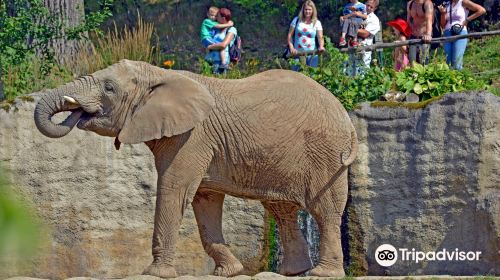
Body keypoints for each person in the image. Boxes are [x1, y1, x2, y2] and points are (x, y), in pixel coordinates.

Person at [438, 0, 486, 69]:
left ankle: (460, 78)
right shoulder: (447, 4)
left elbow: (481, 10)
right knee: (448, 61)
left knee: (457, 61)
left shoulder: (463, 2)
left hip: (460, 32)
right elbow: (442, 25)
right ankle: (451, 78)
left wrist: (467, 20)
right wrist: (442, 14)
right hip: (447, 32)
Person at [286, 0, 325, 71]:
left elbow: (320, 37)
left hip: (312, 54)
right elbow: (289, 35)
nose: (307, 11)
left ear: (313, 10)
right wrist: (291, 48)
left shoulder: (317, 23)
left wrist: (321, 46)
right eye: (306, 9)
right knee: (296, 75)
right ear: (303, 10)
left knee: (311, 76)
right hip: (297, 54)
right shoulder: (296, 20)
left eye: (309, 9)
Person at [205, 8, 237, 74]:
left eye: (218, 16)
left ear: (223, 18)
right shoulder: (217, 29)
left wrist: (210, 47)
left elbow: (223, 45)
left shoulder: (231, 29)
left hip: (220, 63)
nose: (216, 18)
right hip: (210, 60)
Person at [354, 0, 380, 70]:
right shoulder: (359, 14)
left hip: (364, 49)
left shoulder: (374, 19)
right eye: (367, 5)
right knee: (351, 71)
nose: (368, 8)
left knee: (363, 71)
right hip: (353, 46)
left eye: (371, 7)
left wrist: (351, 30)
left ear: (375, 8)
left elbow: (365, 33)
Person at [407, 0, 434, 65]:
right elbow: (408, 20)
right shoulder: (410, 3)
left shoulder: (427, 3)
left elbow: (429, 20)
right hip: (413, 36)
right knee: (412, 63)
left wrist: (428, 34)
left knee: (423, 62)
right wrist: (407, 35)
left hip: (424, 37)